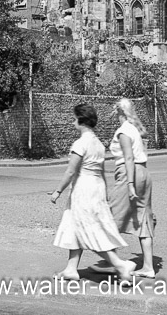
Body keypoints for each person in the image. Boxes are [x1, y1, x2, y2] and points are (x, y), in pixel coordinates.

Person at [51, 103, 135, 282]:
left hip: (83, 189)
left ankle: (120, 265)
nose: (73, 121)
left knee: (90, 230)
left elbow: (71, 171)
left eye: (74, 118)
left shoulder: (81, 143)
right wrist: (104, 194)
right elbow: (102, 172)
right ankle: (71, 269)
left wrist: (57, 191)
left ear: (81, 120)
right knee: (76, 226)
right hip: (96, 188)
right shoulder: (98, 144)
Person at [109, 98, 156, 278]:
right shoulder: (134, 129)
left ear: (119, 111)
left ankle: (115, 264)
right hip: (144, 172)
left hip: (130, 173)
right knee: (143, 218)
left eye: (115, 109)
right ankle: (148, 267)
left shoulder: (123, 131)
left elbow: (128, 158)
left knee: (113, 216)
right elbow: (144, 137)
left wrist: (129, 184)